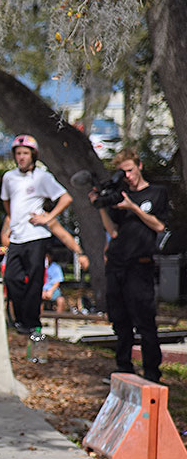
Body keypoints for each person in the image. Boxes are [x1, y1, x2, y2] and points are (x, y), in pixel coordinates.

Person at [91, 148, 169, 382]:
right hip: (117, 265)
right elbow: (112, 231)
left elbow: (159, 226)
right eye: (123, 172)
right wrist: (101, 205)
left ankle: (152, 372)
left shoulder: (156, 193)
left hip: (140, 265)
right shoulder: (118, 196)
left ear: (139, 166)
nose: (128, 176)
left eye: (130, 170)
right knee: (120, 320)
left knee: (145, 321)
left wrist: (133, 208)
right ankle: (123, 367)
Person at [0, 135, 73, 333]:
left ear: (33, 155)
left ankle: (31, 323)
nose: (21, 157)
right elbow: (6, 201)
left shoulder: (42, 177)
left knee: (34, 279)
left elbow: (65, 198)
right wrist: (13, 218)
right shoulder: (9, 177)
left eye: (25, 153)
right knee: (12, 277)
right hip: (17, 236)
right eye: (18, 153)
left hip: (36, 236)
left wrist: (48, 217)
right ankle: (21, 319)